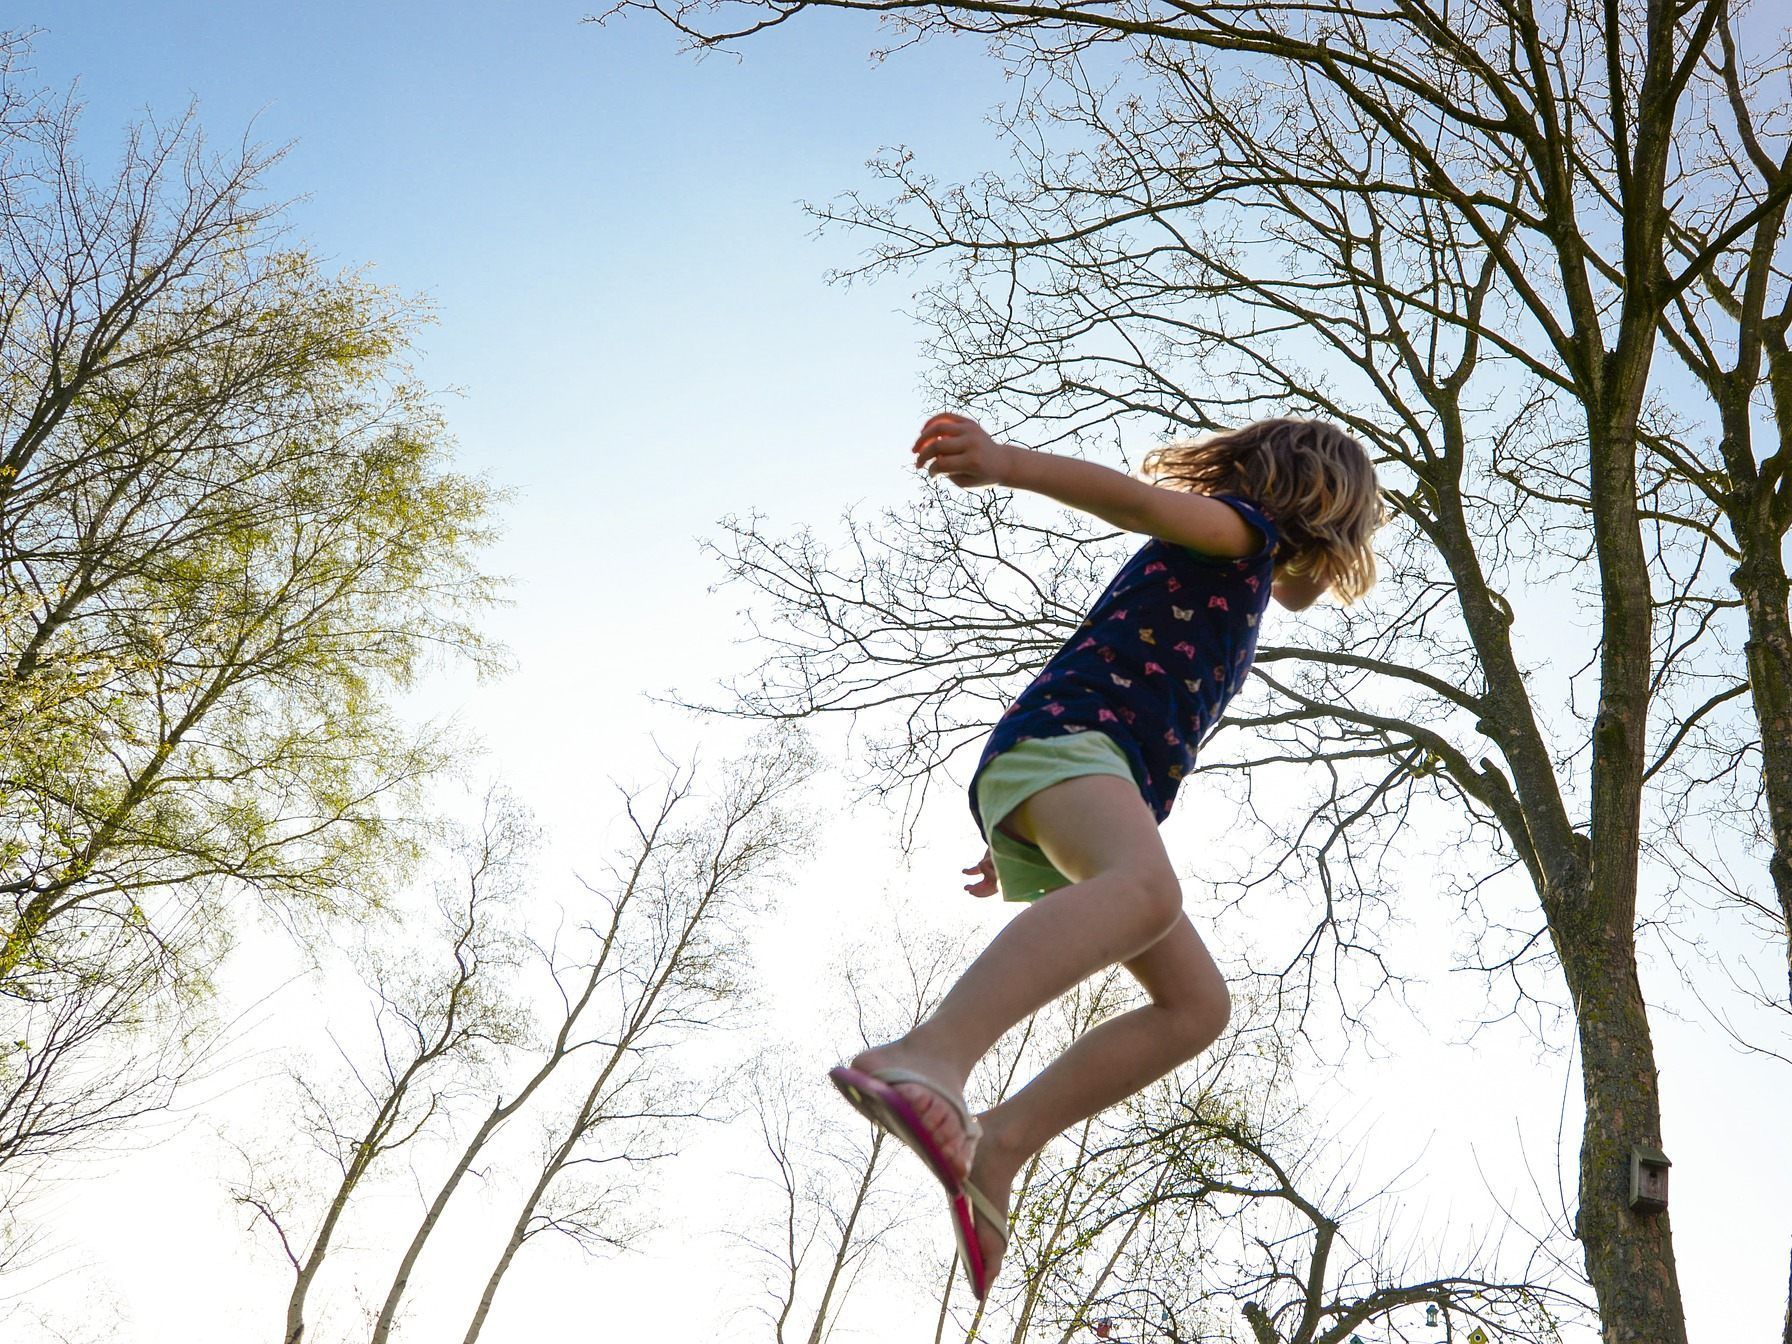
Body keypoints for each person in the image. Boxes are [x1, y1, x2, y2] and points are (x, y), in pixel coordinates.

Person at [828, 411, 1385, 1301]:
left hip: (1075, 769)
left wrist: (1026, 830)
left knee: (1197, 1006)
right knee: (1145, 890)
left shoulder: (1244, 570)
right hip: (1074, 745)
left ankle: (999, 1145)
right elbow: (1130, 499)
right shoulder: (1241, 530)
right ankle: (928, 1055)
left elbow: (1299, 594)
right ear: (1322, 510)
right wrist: (1005, 463)